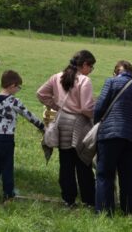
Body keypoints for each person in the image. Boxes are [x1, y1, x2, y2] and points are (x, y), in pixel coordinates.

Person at [37, 50, 96, 207]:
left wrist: (57, 106)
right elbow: (85, 107)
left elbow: (41, 94)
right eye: (91, 66)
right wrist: (96, 114)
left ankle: (68, 199)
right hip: (79, 125)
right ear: (84, 64)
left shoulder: (57, 77)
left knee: (66, 164)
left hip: (61, 123)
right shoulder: (85, 81)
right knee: (83, 162)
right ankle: (88, 200)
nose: (91, 70)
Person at [0, 70, 44, 201]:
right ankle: (8, 193)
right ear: (12, 85)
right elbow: (28, 115)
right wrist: (42, 126)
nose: (19, 90)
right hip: (6, 139)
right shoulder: (14, 101)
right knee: (7, 166)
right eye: (19, 87)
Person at [94, 60, 132, 216]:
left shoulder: (111, 82)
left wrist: (96, 122)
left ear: (115, 72)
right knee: (130, 176)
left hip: (110, 135)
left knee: (105, 174)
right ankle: (131, 212)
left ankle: (104, 212)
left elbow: (100, 106)